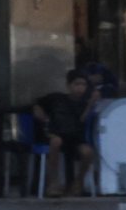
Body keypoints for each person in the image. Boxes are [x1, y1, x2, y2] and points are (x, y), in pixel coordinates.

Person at [32, 69, 99, 197]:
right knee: (56, 141)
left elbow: (82, 120)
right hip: (55, 134)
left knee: (88, 152)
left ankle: (78, 182)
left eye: (83, 85)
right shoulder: (56, 98)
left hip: (75, 137)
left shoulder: (84, 103)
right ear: (69, 86)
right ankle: (53, 182)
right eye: (77, 84)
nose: (80, 88)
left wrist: (90, 105)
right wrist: (38, 110)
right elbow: (37, 102)